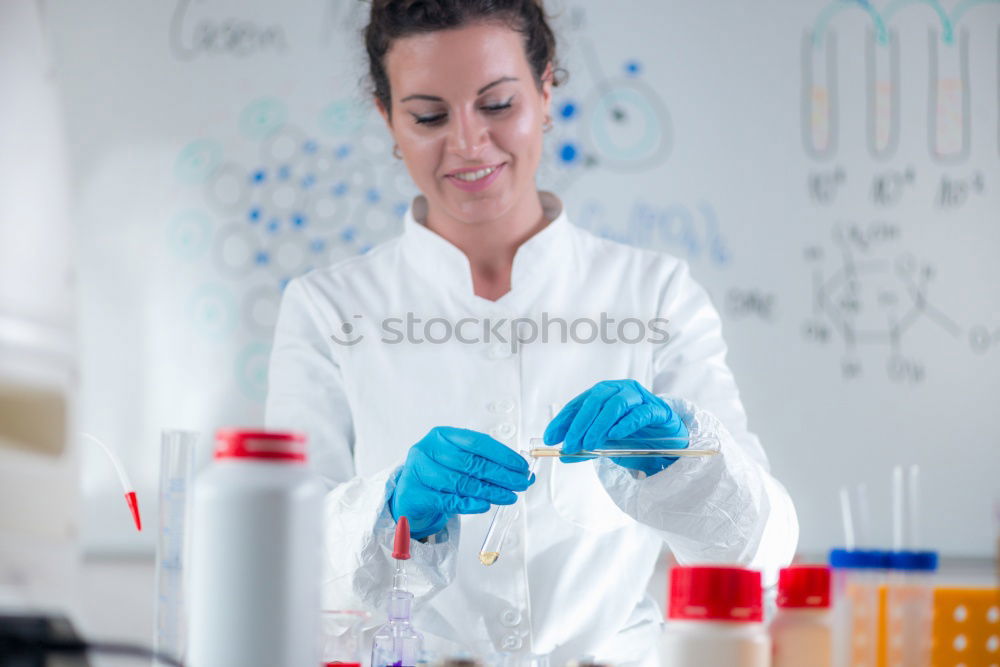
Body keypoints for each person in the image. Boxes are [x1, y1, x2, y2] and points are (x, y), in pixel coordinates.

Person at [265, 1, 798, 664]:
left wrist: (680, 461)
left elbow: (761, 557)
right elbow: (282, 574)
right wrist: (391, 510)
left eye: (497, 105)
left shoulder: (655, 295)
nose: (466, 142)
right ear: (388, 119)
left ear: (547, 93)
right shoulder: (326, 310)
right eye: (429, 115)